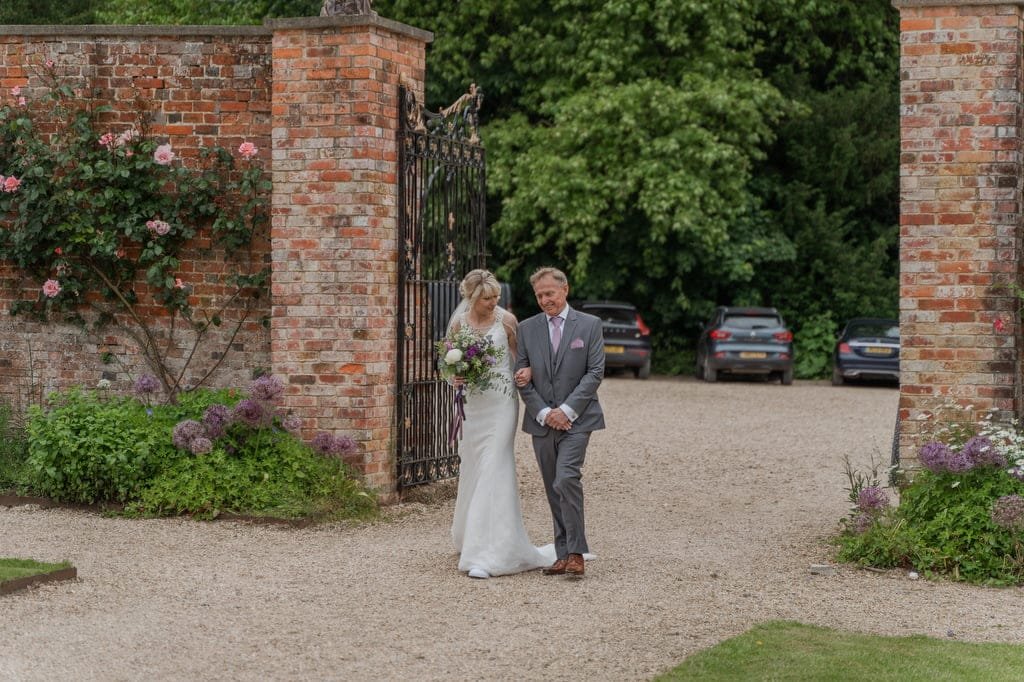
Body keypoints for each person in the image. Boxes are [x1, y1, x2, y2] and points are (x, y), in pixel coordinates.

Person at [447, 269, 551, 579]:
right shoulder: (458, 324)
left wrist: (526, 373)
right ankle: (469, 536)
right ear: (472, 299)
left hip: (502, 403)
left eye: (496, 298)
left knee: (495, 467)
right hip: (473, 405)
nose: (494, 303)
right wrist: (454, 377)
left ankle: (484, 554)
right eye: (487, 299)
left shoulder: (507, 321)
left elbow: (523, 359)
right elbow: (448, 361)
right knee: (475, 467)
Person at [513, 266, 605, 579]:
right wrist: (543, 413)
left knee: (566, 478)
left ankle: (577, 552)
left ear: (564, 290)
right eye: (539, 295)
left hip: (578, 420)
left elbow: (594, 373)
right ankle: (562, 552)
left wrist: (566, 410)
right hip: (541, 422)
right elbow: (522, 375)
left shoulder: (590, 325)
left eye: (549, 293)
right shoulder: (526, 329)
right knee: (553, 487)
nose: (544, 300)